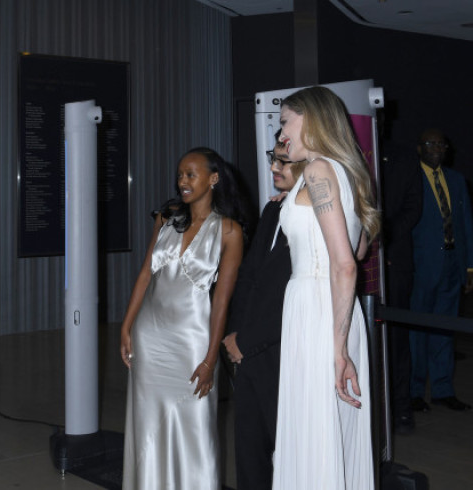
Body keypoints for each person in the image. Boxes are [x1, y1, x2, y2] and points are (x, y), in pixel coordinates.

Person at [121, 147, 247, 489]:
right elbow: (145, 275)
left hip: (192, 340)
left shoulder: (230, 231)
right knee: (148, 424)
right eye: (180, 175)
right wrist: (126, 326)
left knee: (195, 425)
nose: (183, 181)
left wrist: (210, 359)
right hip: (149, 335)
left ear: (213, 178)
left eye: (191, 174)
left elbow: (221, 302)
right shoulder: (167, 218)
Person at [273, 86, 378, 489]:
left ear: (311, 119)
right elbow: (360, 247)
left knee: (315, 434)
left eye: (286, 122)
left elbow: (346, 264)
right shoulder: (341, 171)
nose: (281, 134)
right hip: (331, 311)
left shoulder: (318, 171)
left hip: (320, 315)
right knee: (327, 432)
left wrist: (338, 348)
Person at [223, 135, 305, 490]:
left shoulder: (318, 219)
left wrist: (247, 341)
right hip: (248, 352)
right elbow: (249, 277)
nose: (273, 167)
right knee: (249, 451)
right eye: (274, 157)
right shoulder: (273, 210)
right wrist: (234, 335)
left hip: (285, 353)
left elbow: (298, 297)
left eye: (283, 160)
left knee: (291, 454)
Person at [409, 129, 473, 412]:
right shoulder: (410, 178)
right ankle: (414, 391)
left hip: (452, 265)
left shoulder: (457, 180)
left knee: (445, 330)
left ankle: (443, 389)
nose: (436, 148)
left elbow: (466, 224)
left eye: (441, 144)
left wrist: (469, 266)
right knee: (416, 331)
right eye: (430, 143)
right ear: (419, 148)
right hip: (421, 266)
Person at [380, 153, 423, 434]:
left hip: (395, 261)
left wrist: (384, 240)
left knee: (397, 341)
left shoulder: (404, 162)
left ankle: (401, 408)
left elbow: (412, 208)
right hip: (359, 262)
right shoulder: (353, 154)